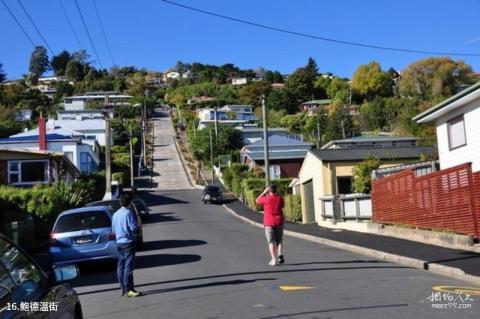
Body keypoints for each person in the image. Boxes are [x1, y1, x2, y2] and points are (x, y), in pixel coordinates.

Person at [112, 194, 141, 297]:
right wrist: (137, 227)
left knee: (120, 266)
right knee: (128, 267)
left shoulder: (115, 214)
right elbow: (133, 228)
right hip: (128, 242)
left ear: (120, 203)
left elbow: (113, 230)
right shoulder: (128, 213)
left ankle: (123, 288)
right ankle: (128, 289)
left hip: (119, 243)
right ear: (129, 203)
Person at [255, 184, 285, 266]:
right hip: (279, 221)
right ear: (276, 190)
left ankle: (274, 260)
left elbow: (257, 200)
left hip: (269, 223)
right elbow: (282, 206)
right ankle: (280, 253)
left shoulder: (266, 199)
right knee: (279, 239)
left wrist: (263, 192)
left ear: (269, 191)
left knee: (271, 242)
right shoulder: (280, 198)